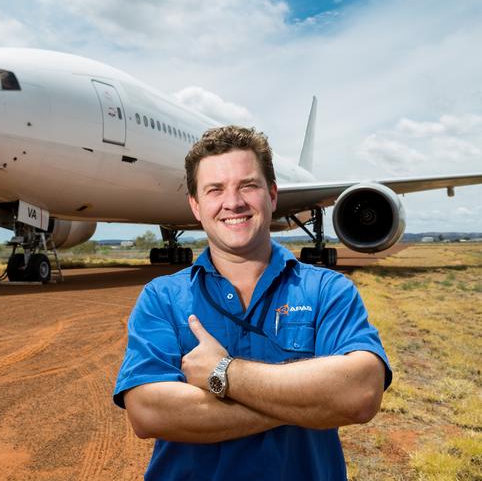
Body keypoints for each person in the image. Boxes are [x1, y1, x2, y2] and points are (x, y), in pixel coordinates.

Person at [113, 125, 392, 480]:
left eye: (248, 185)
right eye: (215, 190)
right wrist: (309, 402)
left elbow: (361, 393)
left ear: (272, 195)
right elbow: (149, 413)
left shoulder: (327, 289)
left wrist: (223, 372)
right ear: (195, 206)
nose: (233, 202)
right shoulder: (162, 297)